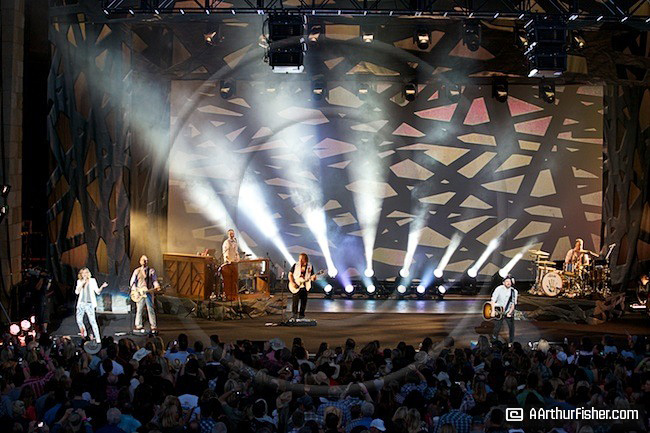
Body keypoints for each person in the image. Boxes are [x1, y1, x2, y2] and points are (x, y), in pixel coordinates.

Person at [75, 267, 107, 343]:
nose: (84, 274)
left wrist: (102, 286)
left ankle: (98, 338)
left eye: (86, 273)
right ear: (81, 274)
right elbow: (77, 292)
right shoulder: (79, 281)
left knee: (93, 322)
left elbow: (97, 291)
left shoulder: (92, 281)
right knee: (79, 320)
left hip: (89, 304)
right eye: (83, 273)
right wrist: (82, 283)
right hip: (81, 304)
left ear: (88, 273)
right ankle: (84, 332)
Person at [129, 255, 159, 333]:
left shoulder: (151, 271)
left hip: (148, 292)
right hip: (140, 292)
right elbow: (132, 282)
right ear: (140, 261)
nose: (144, 262)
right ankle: (138, 324)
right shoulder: (137, 271)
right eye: (143, 260)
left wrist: (157, 286)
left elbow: (154, 280)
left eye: (146, 260)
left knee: (150, 309)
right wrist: (135, 290)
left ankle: (153, 325)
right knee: (139, 309)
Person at [289, 253, 318, 320]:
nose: (300, 260)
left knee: (303, 302)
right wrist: (292, 283)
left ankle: (301, 316)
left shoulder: (310, 266)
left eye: (302, 259)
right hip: (297, 285)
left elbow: (312, 276)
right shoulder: (295, 265)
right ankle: (294, 316)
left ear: (305, 259)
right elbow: (290, 274)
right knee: (295, 302)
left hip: (305, 286)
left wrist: (314, 278)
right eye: (299, 258)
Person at [490, 275, 518, 344]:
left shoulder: (514, 291)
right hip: (499, 310)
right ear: (503, 282)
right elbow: (493, 300)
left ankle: (511, 342)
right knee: (497, 327)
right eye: (507, 281)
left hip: (508, 311)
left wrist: (510, 312)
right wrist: (493, 311)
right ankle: (494, 342)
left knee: (511, 328)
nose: (508, 283)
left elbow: (513, 303)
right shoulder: (499, 289)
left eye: (510, 281)